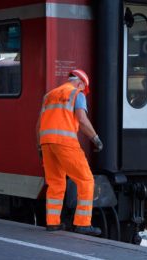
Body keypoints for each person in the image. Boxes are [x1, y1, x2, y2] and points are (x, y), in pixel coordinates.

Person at [37, 69, 103, 236]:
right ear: (80, 83)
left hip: (46, 143)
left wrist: (40, 146)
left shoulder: (49, 96)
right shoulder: (77, 94)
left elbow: (38, 125)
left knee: (55, 183)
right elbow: (81, 119)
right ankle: (82, 224)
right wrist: (95, 139)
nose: (83, 91)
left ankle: (53, 223)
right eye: (84, 88)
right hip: (65, 143)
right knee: (86, 180)